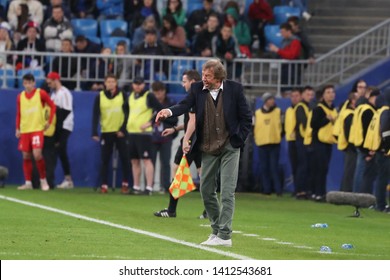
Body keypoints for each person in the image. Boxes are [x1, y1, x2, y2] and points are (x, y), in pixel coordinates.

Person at [155, 59, 252, 246]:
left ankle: (224, 235)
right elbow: (183, 106)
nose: (204, 78)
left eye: (207, 75)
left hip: (230, 147)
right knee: (206, 190)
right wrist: (167, 111)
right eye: (203, 74)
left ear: (218, 76)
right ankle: (216, 230)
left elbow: (246, 118)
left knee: (227, 192)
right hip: (208, 147)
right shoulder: (197, 89)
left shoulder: (235, 89)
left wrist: (238, 139)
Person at [154, 69, 203, 218]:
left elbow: (193, 122)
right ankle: (209, 210)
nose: (183, 85)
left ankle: (171, 210)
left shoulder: (195, 97)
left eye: (184, 81)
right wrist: (175, 128)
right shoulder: (200, 96)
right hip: (199, 140)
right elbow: (190, 121)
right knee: (203, 174)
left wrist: (186, 139)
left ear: (192, 82)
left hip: (192, 141)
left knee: (178, 172)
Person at [15, 73, 56, 191]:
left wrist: (49, 121)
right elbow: (19, 113)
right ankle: (28, 183)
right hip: (25, 129)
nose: (27, 85)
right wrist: (17, 128)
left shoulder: (40, 93)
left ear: (34, 83)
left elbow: (52, 106)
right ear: (23, 84)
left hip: (37, 128)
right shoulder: (20, 96)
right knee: (26, 155)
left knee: (37, 154)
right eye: (25, 83)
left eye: (30, 83)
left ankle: (43, 180)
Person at [92, 74, 130, 194]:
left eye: (113, 81)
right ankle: (104, 185)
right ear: (105, 83)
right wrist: (94, 131)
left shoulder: (123, 95)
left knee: (125, 158)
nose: (111, 84)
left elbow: (128, 113)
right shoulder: (100, 96)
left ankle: (125, 184)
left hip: (120, 132)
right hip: (106, 131)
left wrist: (123, 129)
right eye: (108, 81)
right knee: (104, 160)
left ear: (116, 83)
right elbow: (95, 114)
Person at [127, 76, 163, 195]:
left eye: (140, 84)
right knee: (135, 161)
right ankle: (136, 187)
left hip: (144, 133)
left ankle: (149, 187)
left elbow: (160, 109)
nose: (137, 86)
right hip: (132, 132)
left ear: (144, 84)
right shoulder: (131, 96)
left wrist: (151, 122)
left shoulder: (149, 95)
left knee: (147, 160)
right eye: (135, 84)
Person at [46, 71, 74, 189]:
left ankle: (68, 179)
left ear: (56, 80)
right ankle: (51, 178)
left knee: (61, 149)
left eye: (50, 82)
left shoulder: (64, 92)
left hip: (65, 125)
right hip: (56, 126)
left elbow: (66, 110)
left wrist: (59, 128)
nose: (49, 85)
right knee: (57, 151)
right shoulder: (53, 95)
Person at [310, 84, 337, 202]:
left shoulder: (333, 109)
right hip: (319, 142)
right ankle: (317, 193)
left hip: (328, 142)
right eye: (328, 92)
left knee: (324, 168)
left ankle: (320, 192)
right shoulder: (319, 108)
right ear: (323, 95)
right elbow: (313, 124)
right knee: (319, 168)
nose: (331, 94)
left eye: (332, 92)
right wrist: (326, 119)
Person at [150, 81, 178, 193]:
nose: (157, 96)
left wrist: (163, 117)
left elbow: (175, 119)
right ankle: (149, 186)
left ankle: (166, 186)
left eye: (159, 93)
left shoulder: (171, 103)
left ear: (164, 91)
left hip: (166, 136)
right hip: (152, 136)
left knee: (165, 162)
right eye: (155, 93)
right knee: (151, 162)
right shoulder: (150, 102)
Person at [363, 93, 389, 212]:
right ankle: (381, 205)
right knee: (382, 178)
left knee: (381, 178)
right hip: (384, 151)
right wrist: (386, 147)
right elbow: (384, 131)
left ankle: (380, 204)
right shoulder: (386, 111)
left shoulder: (380, 110)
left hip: (379, 149)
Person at [254, 92, 282, 195]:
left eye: (273, 99)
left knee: (274, 167)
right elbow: (253, 127)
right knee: (264, 167)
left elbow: (282, 126)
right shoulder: (257, 114)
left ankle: (278, 190)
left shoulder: (278, 112)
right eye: (270, 99)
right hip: (262, 144)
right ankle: (267, 189)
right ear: (265, 101)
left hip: (274, 144)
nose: (272, 101)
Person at [269, 22, 302, 92]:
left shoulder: (295, 41)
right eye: (281, 32)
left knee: (291, 90)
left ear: (289, 31)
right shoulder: (284, 41)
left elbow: (292, 55)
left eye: (283, 32)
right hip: (284, 69)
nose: (281, 34)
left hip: (293, 70)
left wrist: (277, 50)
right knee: (284, 90)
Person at [294, 86, 314, 199]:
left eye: (311, 95)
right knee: (303, 166)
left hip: (308, 140)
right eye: (308, 94)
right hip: (302, 140)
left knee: (307, 166)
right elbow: (305, 123)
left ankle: (305, 190)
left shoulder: (309, 106)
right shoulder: (300, 107)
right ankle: (299, 190)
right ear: (302, 95)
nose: (310, 97)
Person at [337, 91, 358, 192]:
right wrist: (353, 146)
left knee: (348, 171)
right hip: (350, 147)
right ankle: (346, 193)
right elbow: (348, 133)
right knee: (350, 171)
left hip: (348, 146)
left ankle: (343, 192)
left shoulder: (347, 112)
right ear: (353, 101)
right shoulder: (349, 114)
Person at [284, 88, 301, 194]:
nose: (294, 98)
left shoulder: (301, 109)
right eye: (292, 96)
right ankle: (296, 189)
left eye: (296, 96)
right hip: (290, 140)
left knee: (300, 166)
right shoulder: (289, 110)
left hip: (299, 140)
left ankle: (300, 189)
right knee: (294, 166)